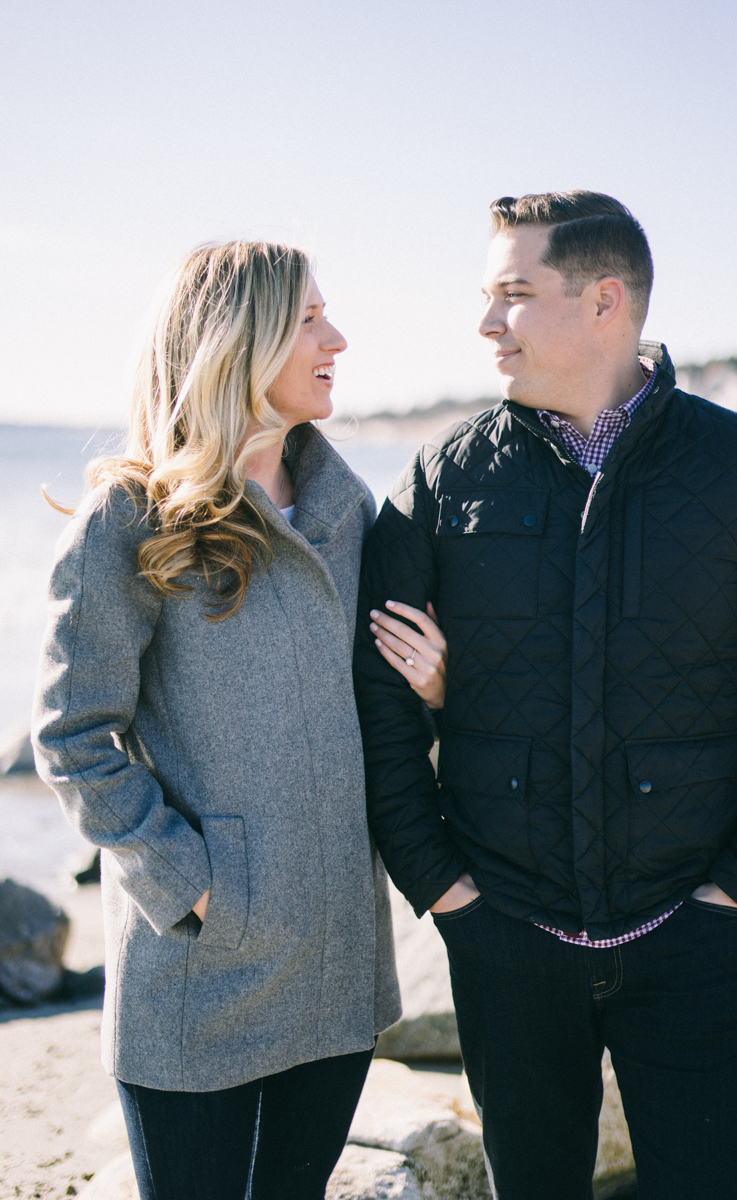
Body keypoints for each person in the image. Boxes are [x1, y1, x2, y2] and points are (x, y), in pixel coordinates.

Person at [355, 191, 737, 1200]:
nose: (484, 323)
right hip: (505, 942)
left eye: (513, 294)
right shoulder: (441, 477)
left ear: (604, 300)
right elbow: (379, 706)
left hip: (692, 943)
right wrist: (447, 895)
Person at [32, 240, 445, 1200]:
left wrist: (434, 694)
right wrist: (191, 884)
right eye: (308, 319)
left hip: (338, 959)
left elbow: (379, 718)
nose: (336, 337)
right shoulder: (127, 520)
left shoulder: (353, 517)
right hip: (198, 969)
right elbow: (71, 736)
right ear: (237, 340)